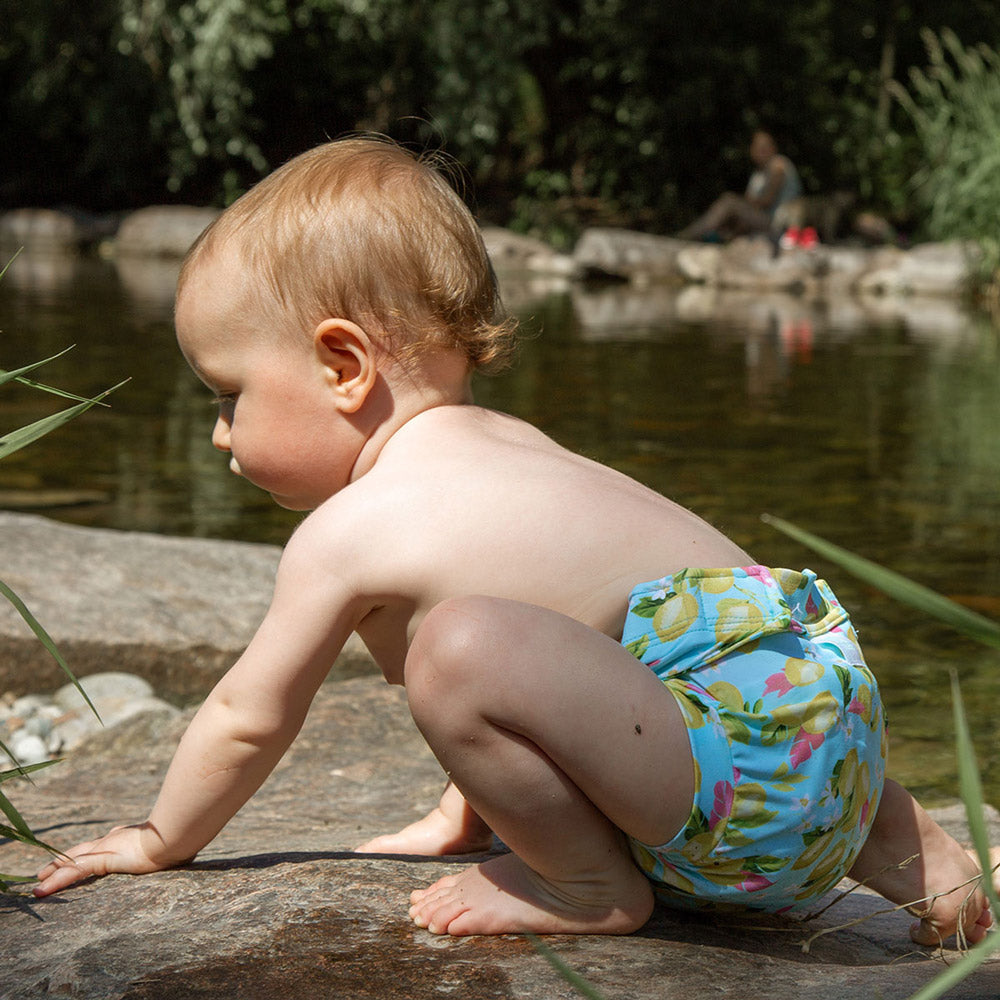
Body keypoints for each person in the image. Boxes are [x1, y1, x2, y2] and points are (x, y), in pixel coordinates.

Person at [33, 138, 993, 945]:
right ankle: (920, 858)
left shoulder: (346, 533)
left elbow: (248, 715)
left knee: (457, 651)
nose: (220, 434)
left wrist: (160, 840)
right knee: (536, 646)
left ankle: (585, 889)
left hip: (730, 779)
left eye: (228, 395)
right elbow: (577, 665)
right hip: (823, 711)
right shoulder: (512, 445)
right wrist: (478, 810)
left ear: (342, 364)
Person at [678, 130, 802, 242]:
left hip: (779, 223)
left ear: (773, 148)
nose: (761, 151)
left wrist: (738, 205)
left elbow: (766, 201)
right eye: (758, 147)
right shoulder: (758, 175)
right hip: (762, 221)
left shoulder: (778, 164)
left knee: (729, 202)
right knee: (730, 208)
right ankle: (704, 235)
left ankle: (687, 236)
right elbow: (750, 203)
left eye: (765, 147)